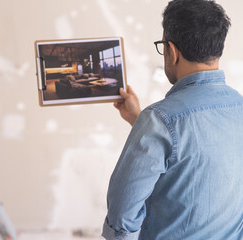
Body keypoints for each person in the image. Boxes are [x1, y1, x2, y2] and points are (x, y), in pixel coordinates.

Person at [102, 0, 243, 239]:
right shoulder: (238, 107)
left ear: (172, 51)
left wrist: (146, 124)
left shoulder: (158, 121)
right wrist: (139, 121)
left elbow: (122, 218)